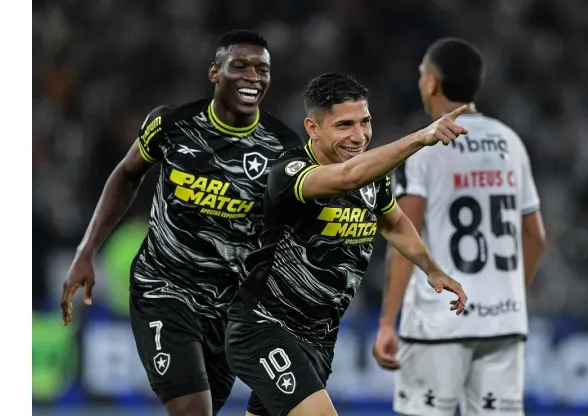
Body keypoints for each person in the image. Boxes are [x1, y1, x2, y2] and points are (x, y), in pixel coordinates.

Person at [59, 29, 304, 416]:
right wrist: (86, 250)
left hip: (228, 306)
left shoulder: (284, 150)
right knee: (192, 410)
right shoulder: (170, 125)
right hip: (163, 287)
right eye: (239, 66)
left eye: (262, 69)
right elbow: (127, 174)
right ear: (214, 72)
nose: (252, 77)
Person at [225, 72, 469, 416]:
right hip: (264, 327)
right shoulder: (290, 172)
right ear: (313, 128)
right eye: (344, 126)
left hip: (318, 338)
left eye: (365, 122)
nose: (359, 136)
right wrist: (422, 137)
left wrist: (432, 269)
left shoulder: (373, 177)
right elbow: (346, 177)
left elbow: (394, 222)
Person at [372, 38, 547, 416]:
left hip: (438, 324)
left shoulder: (425, 146)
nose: (420, 82)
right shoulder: (510, 142)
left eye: (422, 74)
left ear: (432, 83)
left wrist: (388, 322)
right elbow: (536, 236)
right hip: (502, 322)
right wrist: (511, 297)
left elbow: (406, 235)